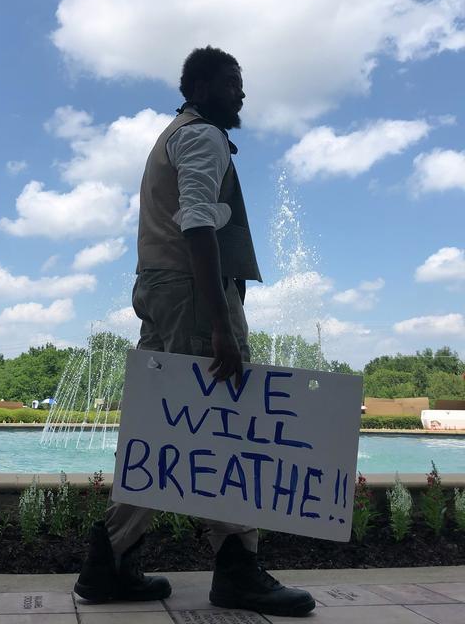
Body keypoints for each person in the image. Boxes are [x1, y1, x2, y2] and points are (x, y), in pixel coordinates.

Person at [74, 46, 315, 618]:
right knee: (224, 424)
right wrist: (219, 326)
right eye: (233, 83)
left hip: (163, 290)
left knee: (159, 428)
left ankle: (108, 563)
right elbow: (198, 222)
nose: (242, 93)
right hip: (190, 294)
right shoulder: (201, 136)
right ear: (202, 88)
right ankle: (236, 568)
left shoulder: (173, 135)